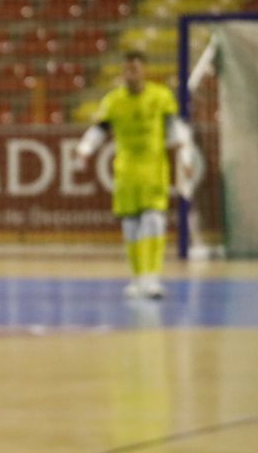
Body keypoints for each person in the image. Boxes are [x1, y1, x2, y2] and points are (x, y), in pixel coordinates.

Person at [72, 51, 198, 300]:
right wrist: (84, 150)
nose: (131, 74)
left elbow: (176, 131)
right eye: (127, 70)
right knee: (131, 227)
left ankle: (153, 278)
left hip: (154, 170)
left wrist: (185, 160)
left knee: (154, 221)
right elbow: (100, 129)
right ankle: (137, 278)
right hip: (126, 173)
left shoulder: (160, 97)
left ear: (144, 71)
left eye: (135, 69)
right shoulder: (114, 101)